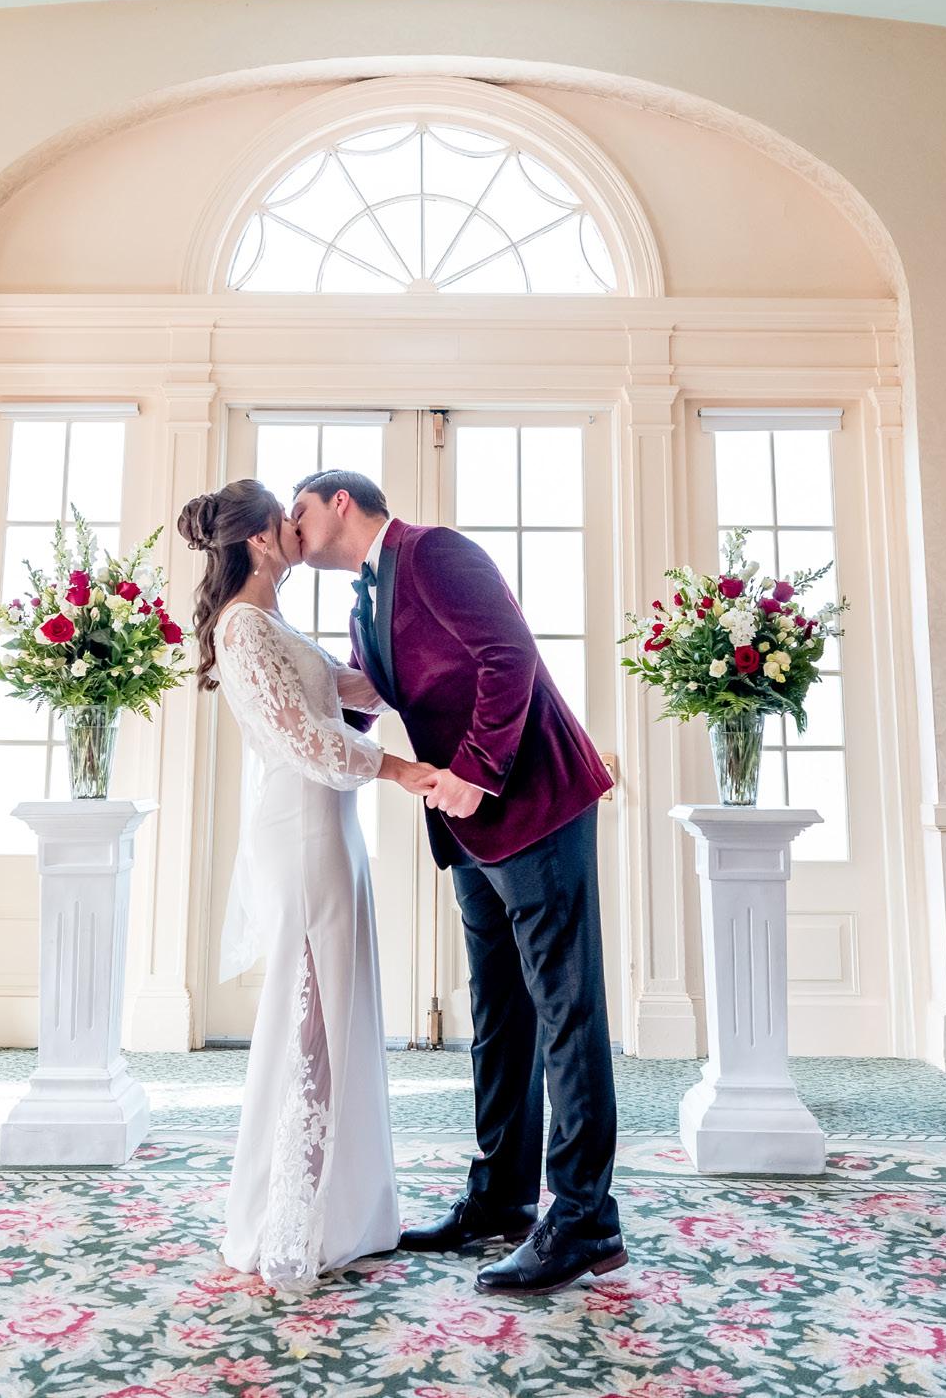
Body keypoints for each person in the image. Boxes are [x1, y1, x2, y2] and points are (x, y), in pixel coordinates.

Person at [288, 468, 623, 1297]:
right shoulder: (362, 605)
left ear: (340, 501)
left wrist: (473, 769)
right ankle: (501, 1196)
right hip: (467, 825)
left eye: (298, 510)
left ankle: (585, 1217)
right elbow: (368, 701)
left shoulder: (434, 551)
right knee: (498, 1013)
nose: (290, 526)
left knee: (565, 1007)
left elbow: (509, 655)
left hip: (533, 799)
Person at [179, 478, 441, 1291]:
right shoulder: (242, 627)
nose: (299, 525)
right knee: (308, 1014)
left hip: (331, 828)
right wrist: (402, 769)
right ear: (260, 539)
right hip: (300, 828)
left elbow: (357, 690)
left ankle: (343, 1206)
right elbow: (306, 740)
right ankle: (288, 1216)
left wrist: (420, 639)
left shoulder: (275, 623)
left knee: (336, 1009)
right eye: (287, 517)